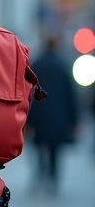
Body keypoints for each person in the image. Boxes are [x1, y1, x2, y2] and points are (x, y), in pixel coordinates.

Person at [26, 35, 80, 196]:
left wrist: (26, 117)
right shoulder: (62, 66)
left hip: (39, 115)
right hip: (58, 117)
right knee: (54, 149)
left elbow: (28, 91)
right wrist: (74, 120)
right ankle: (53, 178)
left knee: (39, 147)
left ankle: (40, 175)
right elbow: (70, 95)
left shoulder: (37, 65)